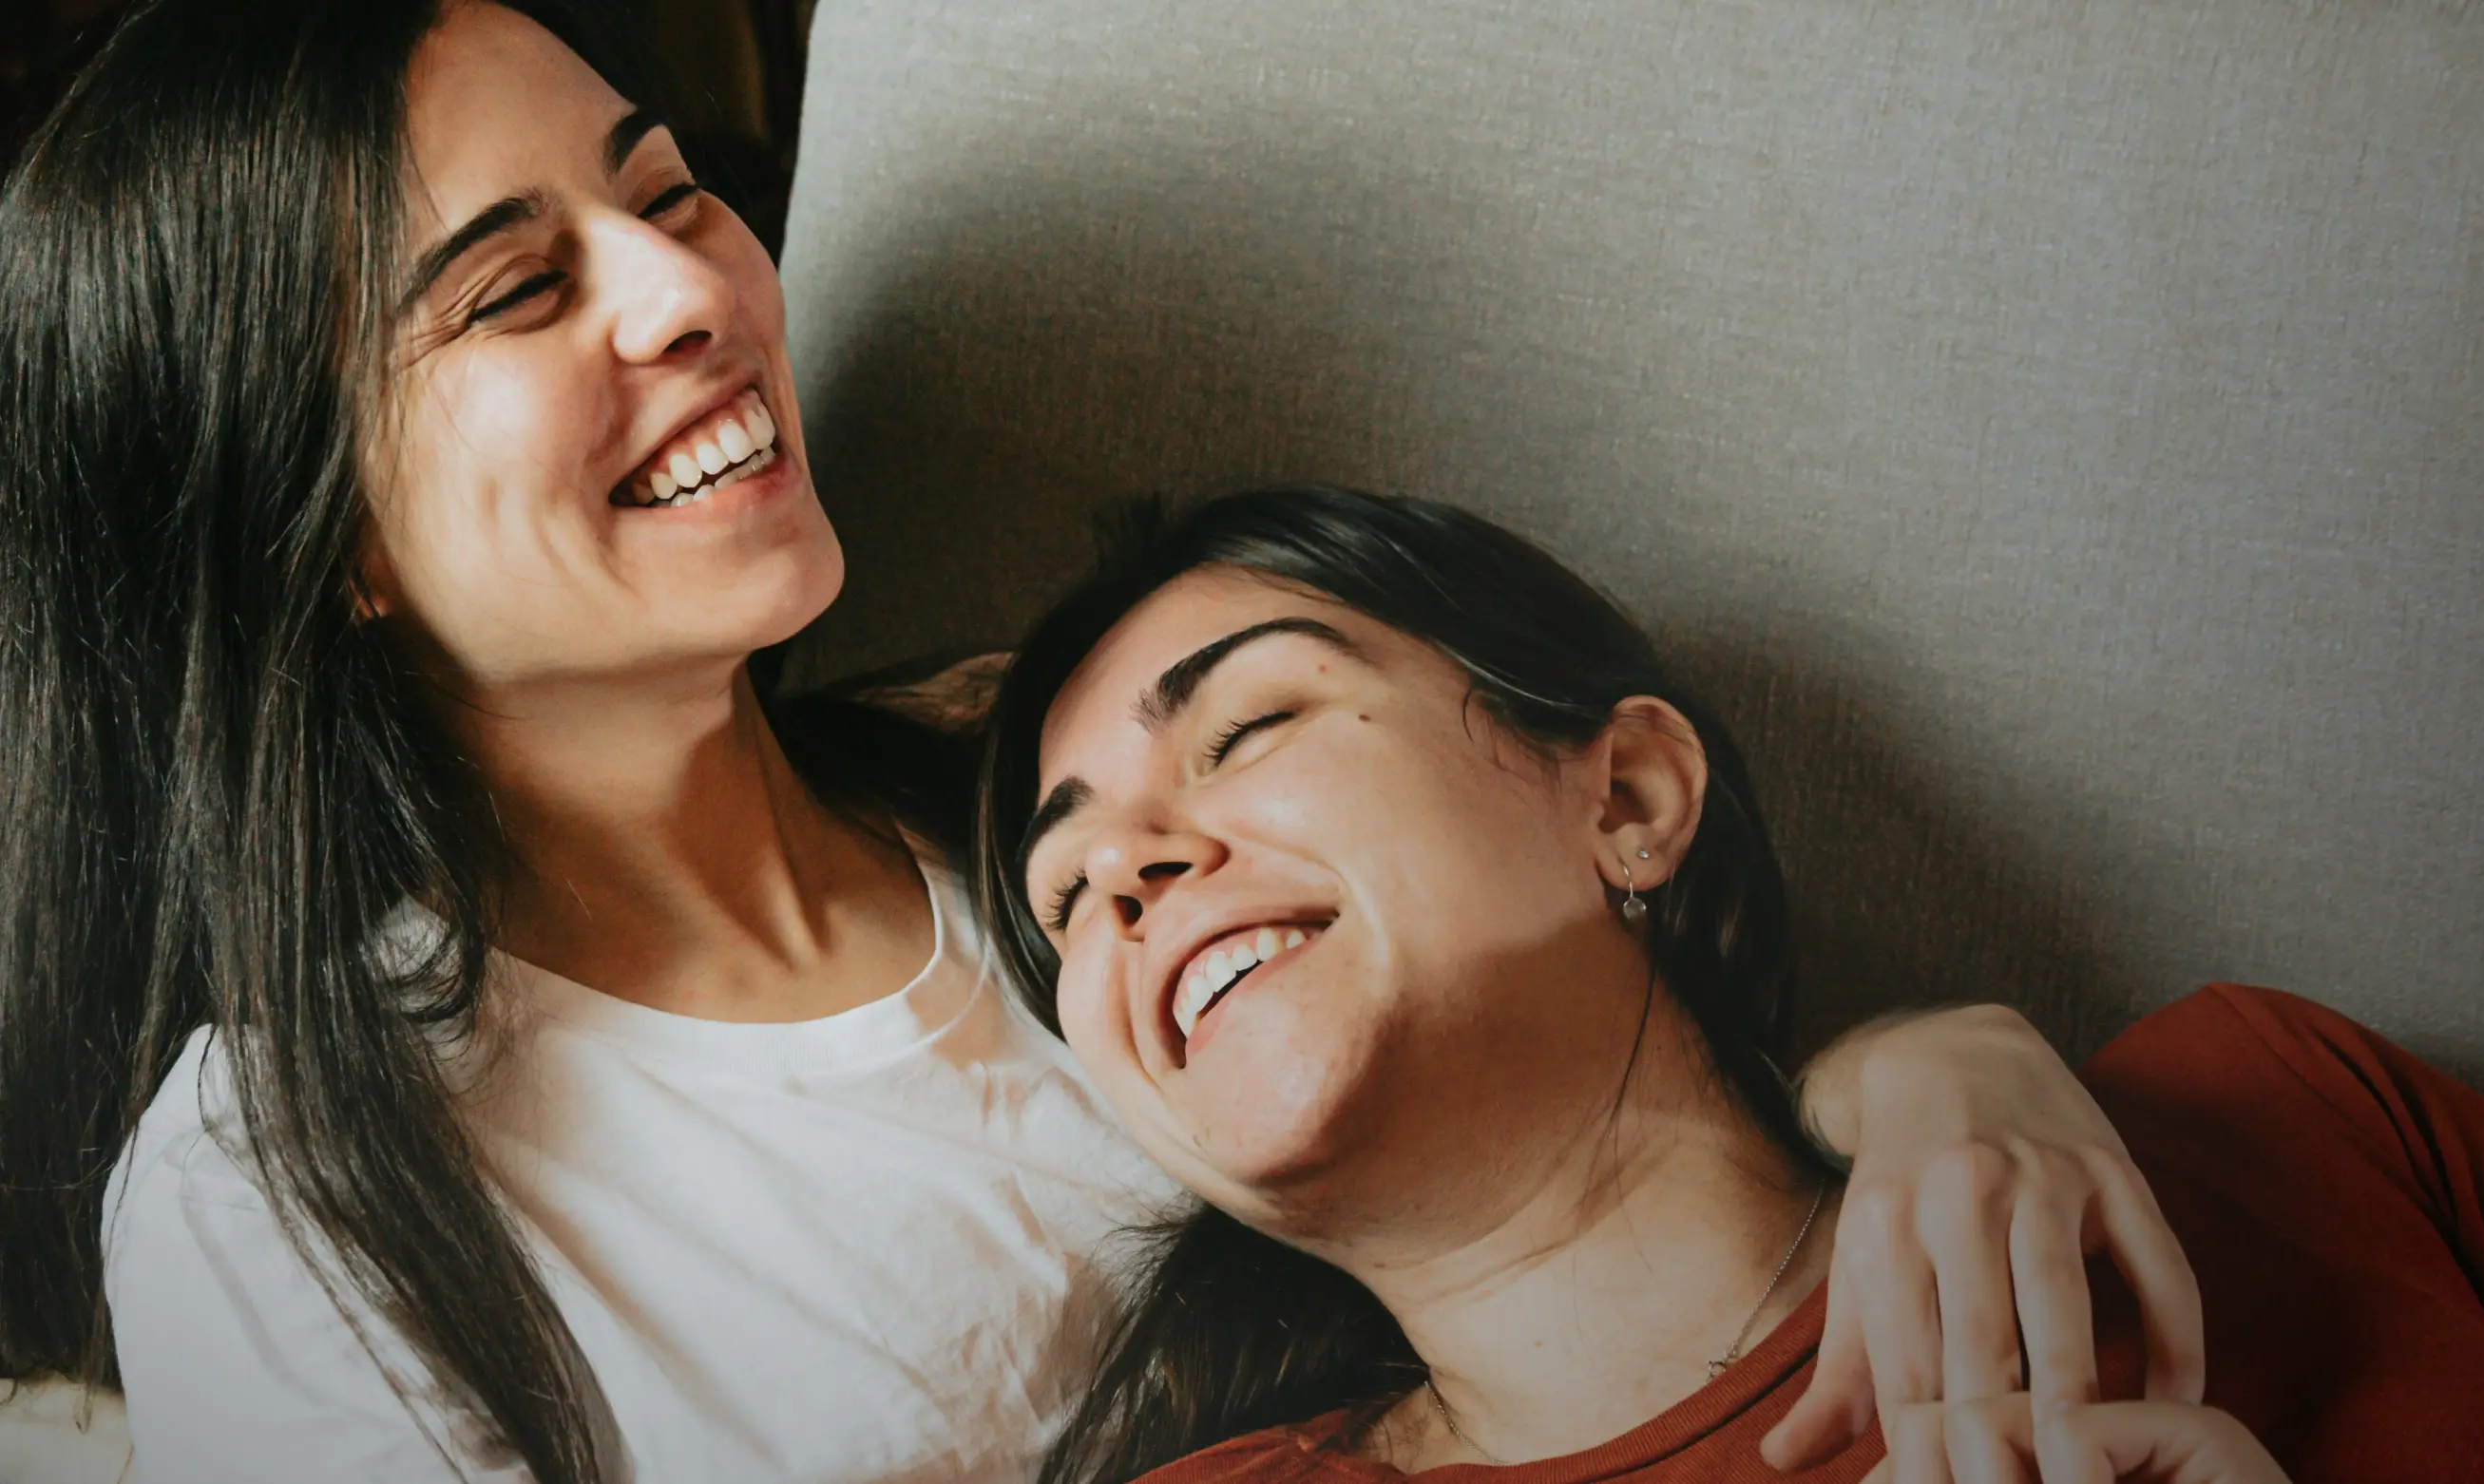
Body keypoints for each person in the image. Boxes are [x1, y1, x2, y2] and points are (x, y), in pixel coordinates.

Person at [0, 5, 2203, 1482]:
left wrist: (1913, 1074)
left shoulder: (1050, 775)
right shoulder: (286, 1187)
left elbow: (1590, 1113)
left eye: (665, 194)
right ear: (321, 541)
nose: (696, 292)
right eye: (514, 291)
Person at [976, 485, 2484, 1484]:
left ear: (1629, 797)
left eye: (1247, 725)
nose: (1126, 870)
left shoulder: (2271, 1116)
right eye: (1066, 896)